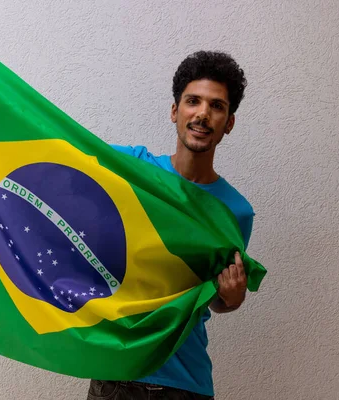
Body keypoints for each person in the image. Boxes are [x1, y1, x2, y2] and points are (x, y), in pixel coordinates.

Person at [87, 51, 252, 399]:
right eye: (193, 101)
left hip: (184, 383)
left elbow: (217, 299)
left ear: (230, 122)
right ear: (175, 111)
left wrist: (233, 298)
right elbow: (60, 156)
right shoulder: (131, 168)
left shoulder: (235, 211)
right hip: (115, 377)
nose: (203, 114)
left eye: (217, 106)